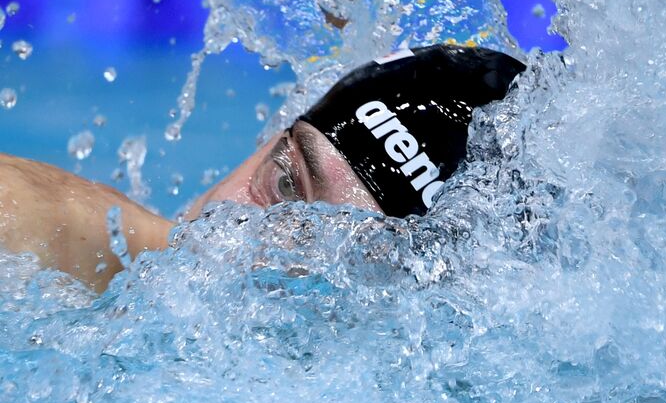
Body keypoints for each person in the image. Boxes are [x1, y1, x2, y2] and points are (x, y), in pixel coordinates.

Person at [0, 44, 526, 292]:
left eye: (340, 254)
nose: (255, 250)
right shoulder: (43, 245)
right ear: (270, 138)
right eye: (282, 184)